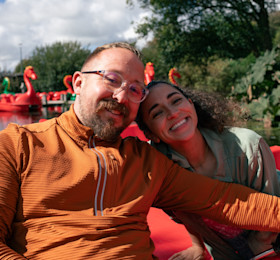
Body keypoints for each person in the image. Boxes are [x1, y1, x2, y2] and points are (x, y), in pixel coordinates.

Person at [1, 43, 280, 260]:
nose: (122, 96)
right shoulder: (17, 144)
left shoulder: (146, 161)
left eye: (135, 89)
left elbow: (225, 200)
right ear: (78, 83)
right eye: (111, 78)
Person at [136, 80, 280, 260]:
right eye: (157, 113)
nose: (173, 113)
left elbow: (272, 222)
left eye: (176, 101)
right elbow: (183, 213)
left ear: (191, 103)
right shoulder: (158, 171)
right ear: (150, 134)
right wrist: (197, 247)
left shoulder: (247, 147)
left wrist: (256, 250)